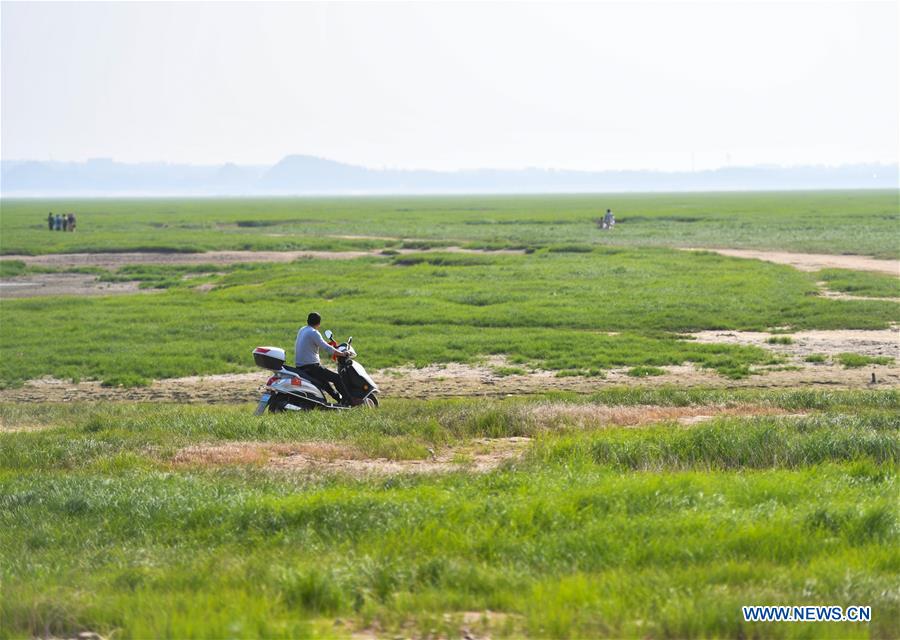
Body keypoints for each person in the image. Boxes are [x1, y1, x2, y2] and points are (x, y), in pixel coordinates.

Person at [294, 311, 349, 404]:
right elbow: (326, 348)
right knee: (337, 378)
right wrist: (343, 354)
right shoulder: (314, 332)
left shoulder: (302, 329)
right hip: (311, 366)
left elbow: (314, 344)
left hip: (301, 366)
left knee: (325, 383)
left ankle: (339, 400)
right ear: (319, 323)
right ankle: (348, 400)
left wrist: (332, 347)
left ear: (307, 321)